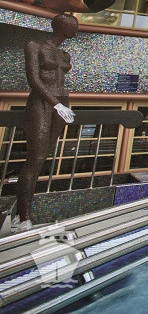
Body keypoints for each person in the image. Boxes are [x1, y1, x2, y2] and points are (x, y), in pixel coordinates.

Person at [13, 14, 77, 231]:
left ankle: (21, 210)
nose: (76, 29)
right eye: (72, 25)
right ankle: (23, 218)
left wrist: (63, 105)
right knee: (36, 157)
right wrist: (56, 105)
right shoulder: (35, 46)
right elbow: (34, 80)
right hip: (42, 101)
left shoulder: (65, 54)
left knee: (43, 158)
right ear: (60, 26)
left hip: (62, 101)